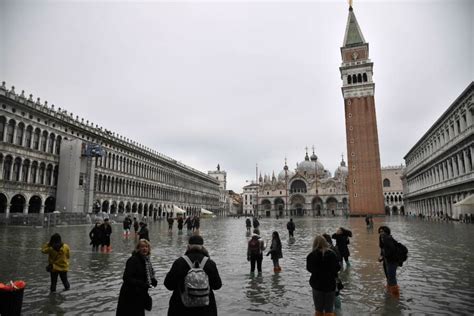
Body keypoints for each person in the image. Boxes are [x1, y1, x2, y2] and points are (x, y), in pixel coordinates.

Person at [164, 235, 222, 316]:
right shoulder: (210, 263)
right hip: (206, 310)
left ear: (188, 246)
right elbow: (217, 286)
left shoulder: (179, 262)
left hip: (180, 308)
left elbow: (169, 285)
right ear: (202, 247)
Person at [117, 239, 157, 315]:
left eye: (146, 247)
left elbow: (149, 277)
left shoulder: (147, 261)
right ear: (138, 249)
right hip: (129, 296)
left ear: (149, 249)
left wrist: (153, 281)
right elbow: (126, 278)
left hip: (140, 295)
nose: (144, 248)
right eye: (142, 247)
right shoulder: (133, 260)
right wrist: (142, 284)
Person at [306, 235, 340, 316]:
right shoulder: (332, 254)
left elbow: (309, 269)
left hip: (317, 285)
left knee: (318, 310)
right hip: (330, 285)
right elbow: (338, 268)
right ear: (325, 242)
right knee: (329, 310)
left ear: (314, 244)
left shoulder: (311, 255)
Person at [378, 226, 399, 297]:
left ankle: (395, 295)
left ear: (386, 232)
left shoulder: (389, 239)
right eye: (380, 232)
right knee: (388, 276)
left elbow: (392, 250)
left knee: (392, 278)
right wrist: (381, 256)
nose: (381, 233)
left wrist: (386, 255)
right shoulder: (381, 239)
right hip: (386, 261)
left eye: (383, 231)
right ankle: (389, 291)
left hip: (392, 261)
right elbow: (382, 249)